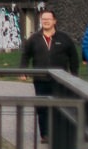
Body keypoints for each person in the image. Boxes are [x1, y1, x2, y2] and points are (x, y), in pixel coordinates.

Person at [21, 7, 81, 140]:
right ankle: (45, 134)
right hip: (40, 79)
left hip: (59, 79)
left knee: (59, 106)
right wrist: (23, 70)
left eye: (48, 19)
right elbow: (25, 55)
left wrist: (74, 74)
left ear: (54, 21)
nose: (46, 22)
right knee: (42, 107)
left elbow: (73, 57)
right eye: (43, 19)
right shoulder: (34, 38)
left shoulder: (64, 38)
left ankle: (59, 131)